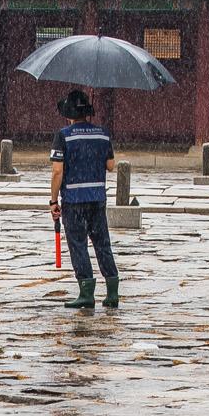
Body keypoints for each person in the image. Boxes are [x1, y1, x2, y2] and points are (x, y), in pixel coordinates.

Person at [48, 89, 119, 309]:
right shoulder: (103, 134)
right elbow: (110, 165)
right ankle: (112, 293)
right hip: (97, 198)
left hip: (74, 199)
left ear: (68, 112)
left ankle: (86, 293)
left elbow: (57, 172)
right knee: (102, 243)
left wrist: (53, 201)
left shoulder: (63, 135)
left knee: (78, 244)